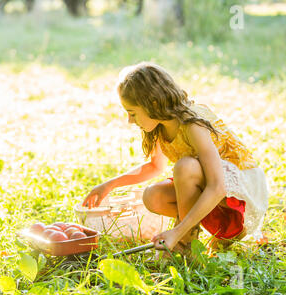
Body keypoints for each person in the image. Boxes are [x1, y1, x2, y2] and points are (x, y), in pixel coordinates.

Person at [82, 62, 269, 255]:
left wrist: (177, 232)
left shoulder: (192, 125)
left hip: (240, 198)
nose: (130, 120)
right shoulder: (161, 126)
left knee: (185, 167)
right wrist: (110, 185)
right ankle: (201, 233)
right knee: (153, 196)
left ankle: (186, 242)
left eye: (132, 113)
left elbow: (217, 186)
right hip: (214, 194)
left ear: (153, 104)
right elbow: (155, 166)